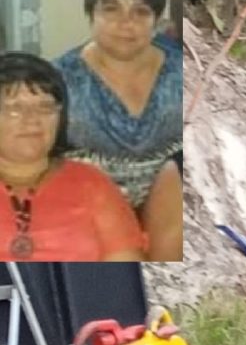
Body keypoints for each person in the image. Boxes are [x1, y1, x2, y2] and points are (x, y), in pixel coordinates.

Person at [52, 0, 182, 261]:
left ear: (156, 19)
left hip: (166, 192)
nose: (126, 23)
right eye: (111, 9)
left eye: (140, 11)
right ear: (91, 14)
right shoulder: (59, 79)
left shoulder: (179, 69)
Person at [0, 52, 145, 261]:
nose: (32, 119)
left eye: (45, 107)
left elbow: (123, 273)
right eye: (15, 108)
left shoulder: (91, 184)